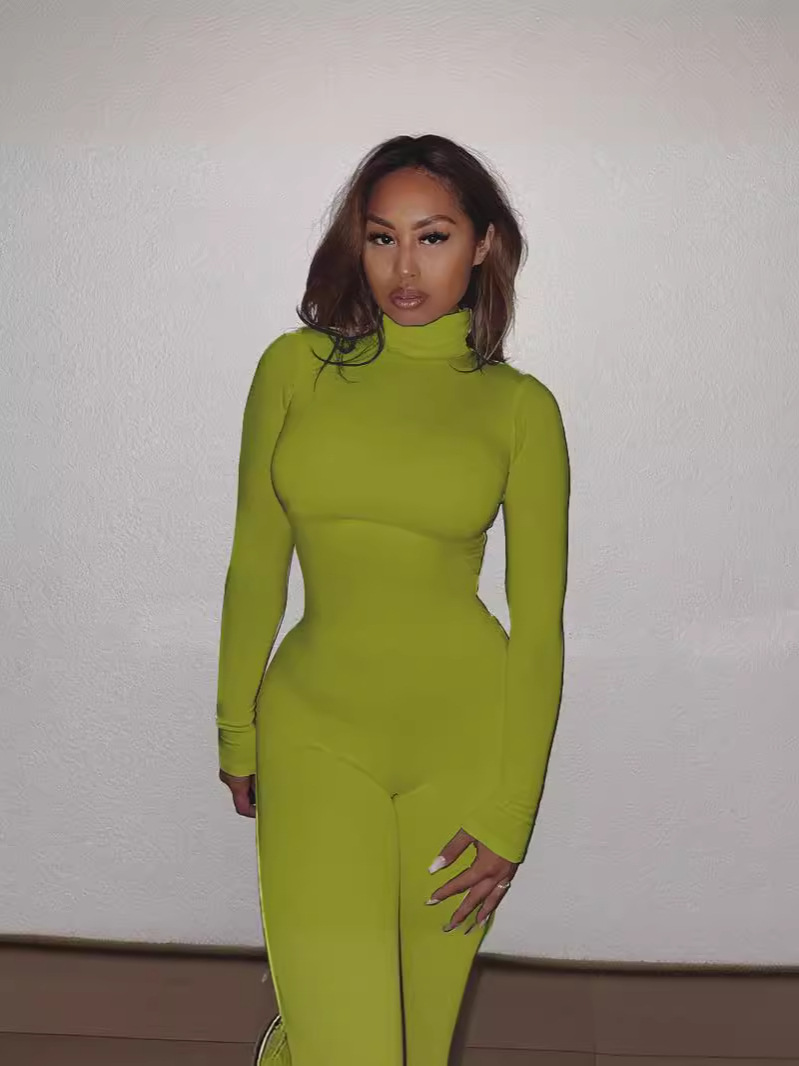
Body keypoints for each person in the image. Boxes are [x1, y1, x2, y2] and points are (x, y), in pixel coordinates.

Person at [215, 133, 570, 1066]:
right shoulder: (293, 370)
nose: (404, 268)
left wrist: (511, 814)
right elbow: (255, 563)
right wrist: (233, 726)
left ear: (482, 245)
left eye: (433, 237)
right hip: (315, 731)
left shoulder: (520, 409)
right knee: (349, 1043)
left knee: (412, 1048)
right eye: (382, 238)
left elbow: (538, 631)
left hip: (464, 747)